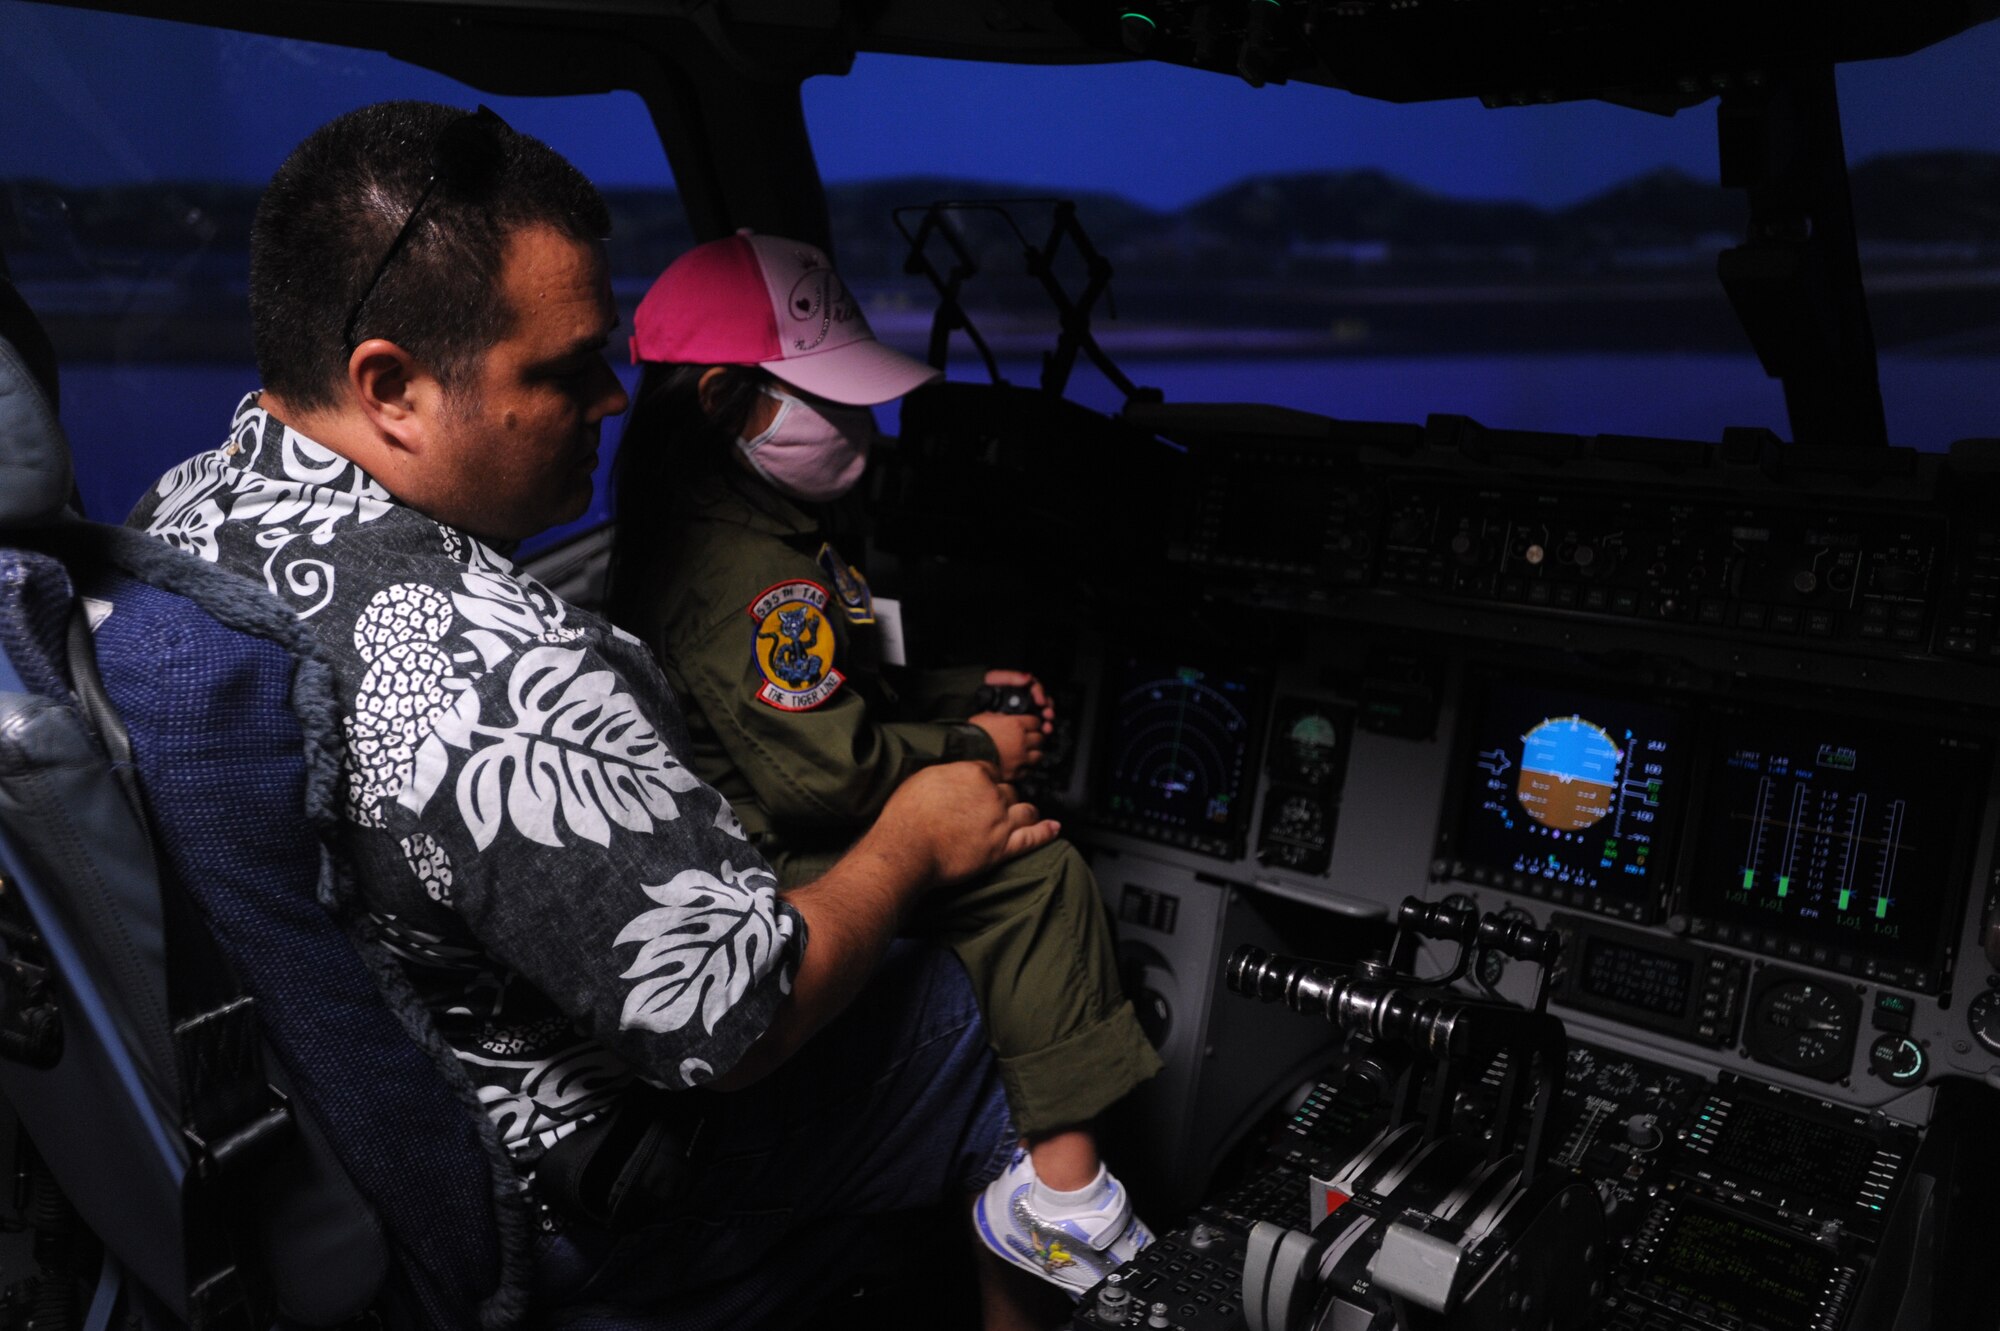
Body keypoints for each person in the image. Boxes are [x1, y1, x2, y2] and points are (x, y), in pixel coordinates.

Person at [127, 100, 1065, 1328]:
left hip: (309, 1154)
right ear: (390, 384)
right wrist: (916, 839)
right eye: (566, 370)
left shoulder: (184, 512)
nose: (617, 400)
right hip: (550, 1206)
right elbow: (739, 1018)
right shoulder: (489, 662)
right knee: (978, 1000)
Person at [606, 231, 1164, 1296]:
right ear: (726, 402)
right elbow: (824, 774)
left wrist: (963, 690)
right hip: (773, 864)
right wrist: (975, 745)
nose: (864, 425)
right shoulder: (754, 578)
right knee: (1037, 874)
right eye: (835, 402)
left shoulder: (762, 530)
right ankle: (1061, 1198)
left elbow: (825, 686)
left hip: (766, 812)